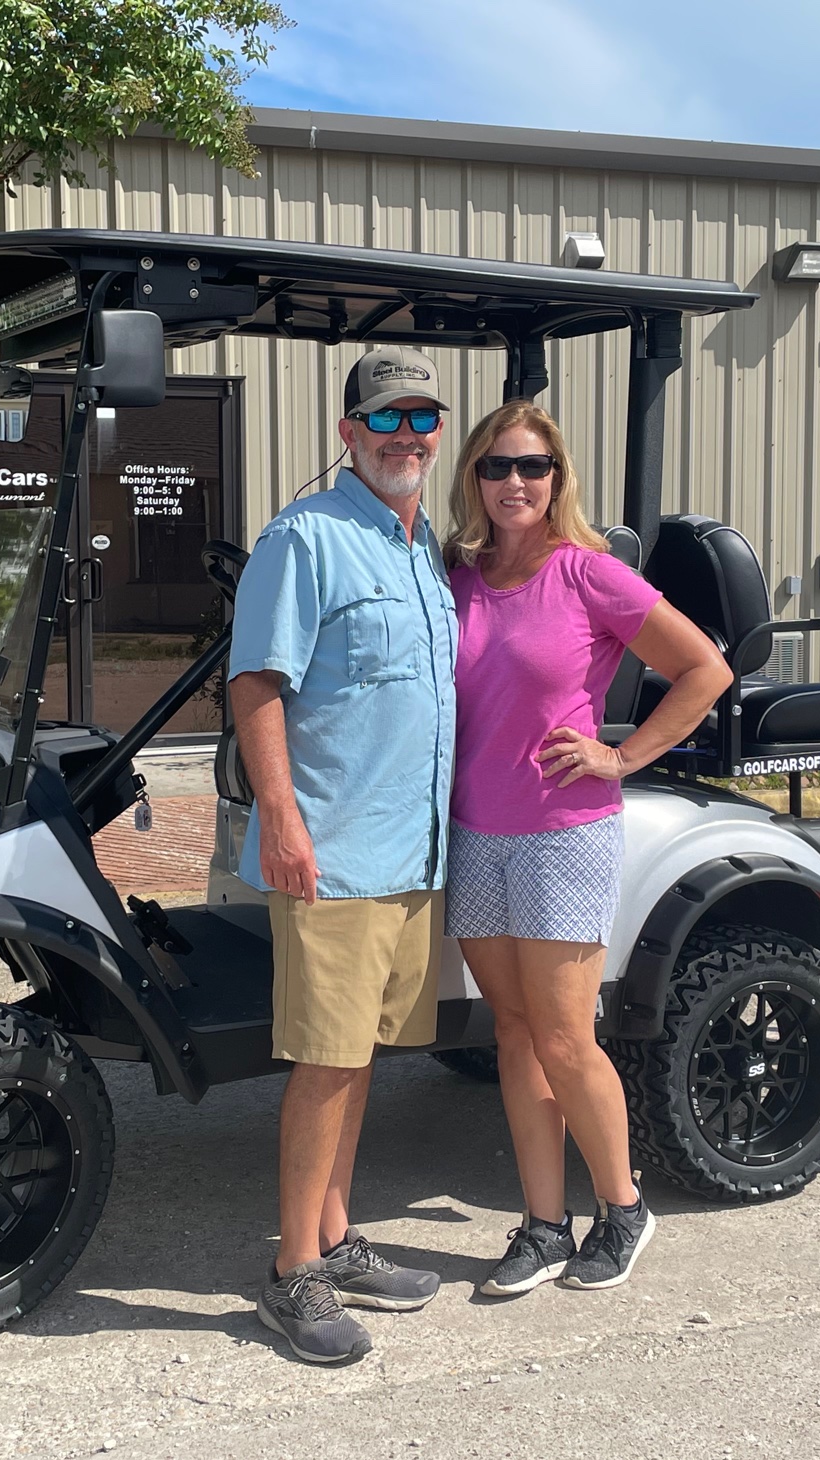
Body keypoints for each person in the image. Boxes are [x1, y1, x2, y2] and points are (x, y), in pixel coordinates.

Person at [443, 400, 732, 1296]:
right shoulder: (455, 575)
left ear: (558, 479)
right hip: (474, 831)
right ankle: (542, 1225)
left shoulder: (587, 573)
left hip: (563, 833)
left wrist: (622, 754)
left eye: (533, 468)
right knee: (518, 1033)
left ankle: (622, 1206)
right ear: (474, 480)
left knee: (567, 1036)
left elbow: (706, 670)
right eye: (497, 468)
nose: (515, 484)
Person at [227, 347, 460, 1364]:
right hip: (334, 852)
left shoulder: (424, 551)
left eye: (422, 419)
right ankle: (292, 1273)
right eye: (386, 420)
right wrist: (280, 818)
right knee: (325, 1061)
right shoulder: (304, 540)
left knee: (360, 1057)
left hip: (413, 856)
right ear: (348, 434)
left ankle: (336, 1235)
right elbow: (256, 687)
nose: (405, 437)